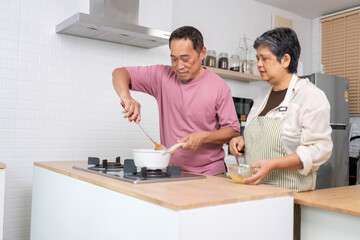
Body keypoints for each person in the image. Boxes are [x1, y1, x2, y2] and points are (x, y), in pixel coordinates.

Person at [229, 27, 332, 240]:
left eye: (264, 58)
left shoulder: (311, 96)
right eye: (257, 58)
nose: (258, 64)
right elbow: (260, 136)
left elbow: (319, 150)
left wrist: (273, 164)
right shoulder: (261, 97)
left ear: (285, 60)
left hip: (288, 198)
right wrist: (242, 140)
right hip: (254, 194)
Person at [112, 26, 240, 175]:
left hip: (209, 175)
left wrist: (203, 137)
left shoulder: (219, 87)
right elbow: (119, 72)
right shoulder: (162, 76)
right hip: (171, 173)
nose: (179, 66)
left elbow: (233, 131)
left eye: (186, 59)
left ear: (202, 53)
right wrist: (126, 97)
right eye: (174, 59)